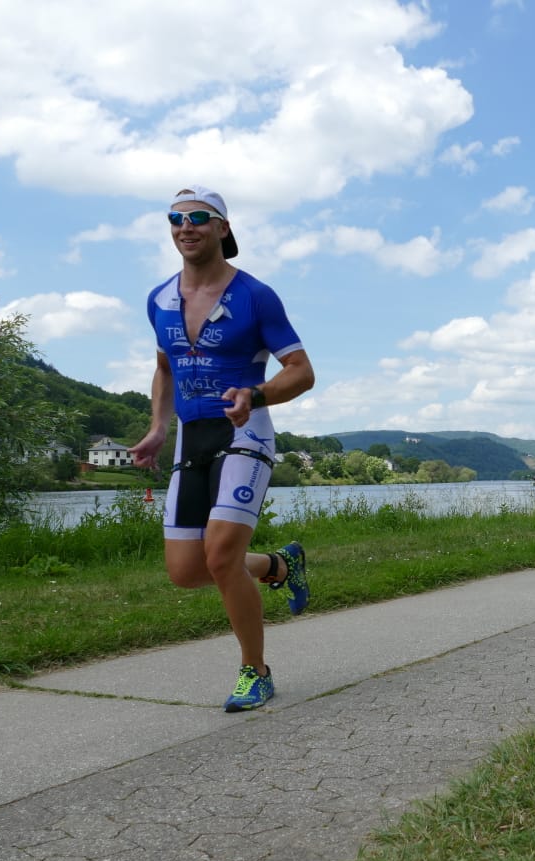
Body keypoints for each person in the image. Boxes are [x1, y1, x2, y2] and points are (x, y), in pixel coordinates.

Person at [130, 185, 316, 712]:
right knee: (187, 571)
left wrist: (256, 394)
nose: (185, 227)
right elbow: (165, 369)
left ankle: (256, 671)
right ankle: (279, 565)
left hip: (244, 433)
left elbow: (302, 371)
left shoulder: (255, 295)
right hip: (192, 438)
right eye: (175, 218)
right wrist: (158, 428)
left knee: (220, 555)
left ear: (222, 228)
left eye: (198, 217)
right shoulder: (159, 299)